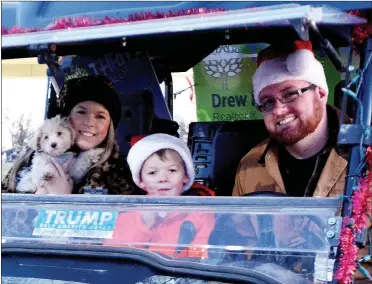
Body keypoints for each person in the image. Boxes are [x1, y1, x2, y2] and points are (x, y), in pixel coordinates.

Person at [233, 40, 371, 281]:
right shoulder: (251, 166)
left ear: (320, 92)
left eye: (290, 95)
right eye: (267, 102)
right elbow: (237, 247)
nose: (278, 110)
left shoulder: (365, 159)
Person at [2, 75, 140, 195]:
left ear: (110, 126)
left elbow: (125, 221)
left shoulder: (122, 171)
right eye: (81, 112)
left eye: (100, 116)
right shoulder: (29, 159)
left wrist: (63, 200)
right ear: (66, 118)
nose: (89, 122)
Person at [104, 133, 215, 259]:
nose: (163, 178)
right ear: (141, 181)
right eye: (152, 173)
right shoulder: (127, 215)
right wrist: (144, 224)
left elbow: (202, 258)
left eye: (172, 170)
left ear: (185, 176)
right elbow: (116, 256)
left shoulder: (201, 214)